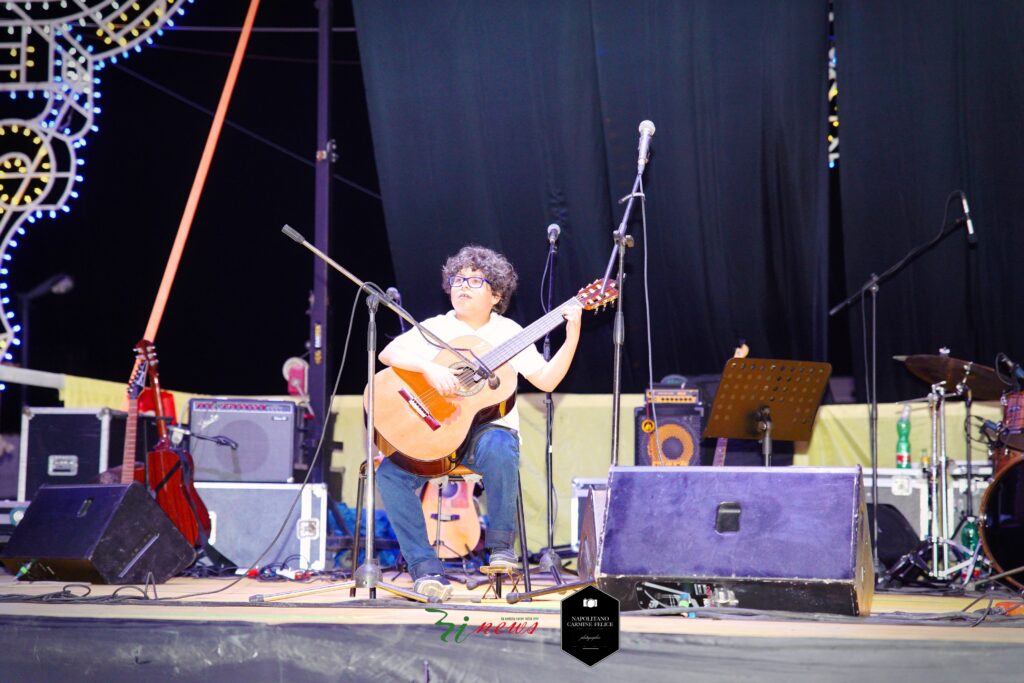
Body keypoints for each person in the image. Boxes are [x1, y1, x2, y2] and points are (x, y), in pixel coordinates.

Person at [375, 245, 582, 601]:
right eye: (457, 279)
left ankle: (501, 548)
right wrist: (430, 367)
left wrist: (573, 332)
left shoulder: (510, 333)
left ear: (496, 294)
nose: (462, 287)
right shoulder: (436, 328)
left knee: (502, 445)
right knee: (388, 475)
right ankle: (426, 571)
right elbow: (387, 354)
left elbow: (546, 380)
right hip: (434, 435)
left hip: (482, 437)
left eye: (474, 280)